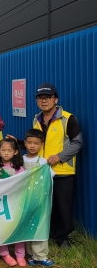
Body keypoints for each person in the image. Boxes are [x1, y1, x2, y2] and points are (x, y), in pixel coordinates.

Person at [32, 83, 82, 249]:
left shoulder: (68, 119)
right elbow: (37, 143)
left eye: (48, 97)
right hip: (43, 171)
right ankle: (50, 233)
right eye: (40, 98)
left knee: (64, 206)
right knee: (48, 204)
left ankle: (64, 237)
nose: (43, 101)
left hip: (63, 171)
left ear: (56, 99)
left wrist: (60, 157)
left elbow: (77, 143)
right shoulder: (37, 119)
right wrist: (17, 142)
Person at [23, 128, 55, 267]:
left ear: (42, 144)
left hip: (40, 200)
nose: (32, 146)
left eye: (36, 143)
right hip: (25, 199)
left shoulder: (44, 162)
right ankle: (30, 254)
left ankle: (41, 255)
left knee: (40, 225)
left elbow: (50, 179)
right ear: (25, 143)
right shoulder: (20, 161)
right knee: (28, 225)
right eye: (30, 142)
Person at [0, 138, 26, 267]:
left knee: (18, 227)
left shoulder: (19, 168)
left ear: (16, 152)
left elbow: (23, 183)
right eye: (3, 150)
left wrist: (11, 180)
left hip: (15, 202)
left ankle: (20, 254)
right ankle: (4, 253)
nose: (6, 153)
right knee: (2, 228)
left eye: (9, 150)